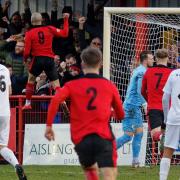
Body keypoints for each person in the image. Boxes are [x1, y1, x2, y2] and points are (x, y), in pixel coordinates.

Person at [45, 47, 125, 180]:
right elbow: (121, 115)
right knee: (109, 175)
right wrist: (112, 114)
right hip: (103, 136)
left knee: (90, 170)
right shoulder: (109, 85)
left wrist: (49, 126)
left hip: (81, 139)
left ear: (82, 64)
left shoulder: (72, 85)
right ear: (100, 64)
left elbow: (55, 100)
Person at [22, 12, 69, 110]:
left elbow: (26, 52)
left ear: (31, 21)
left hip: (37, 59)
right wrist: (65, 20)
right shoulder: (49, 29)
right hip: (49, 59)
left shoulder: (29, 33)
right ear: (41, 20)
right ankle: (62, 100)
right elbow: (65, 33)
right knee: (56, 84)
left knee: (30, 80)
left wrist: (25, 59)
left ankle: (27, 103)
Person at [116, 50, 154, 167]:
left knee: (137, 133)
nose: (153, 60)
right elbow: (139, 90)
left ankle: (135, 161)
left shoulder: (138, 70)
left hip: (129, 105)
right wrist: (145, 104)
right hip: (133, 106)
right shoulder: (142, 72)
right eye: (151, 58)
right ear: (145, 60)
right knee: (131, 135)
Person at [0, 63, 27, 180]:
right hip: (5, 112)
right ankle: (16, 165)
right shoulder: (5, 69)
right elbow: (10, 91)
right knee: (2, 146)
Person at [141, 49, 172, 149]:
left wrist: (149, 100)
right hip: (169, 108)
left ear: (156, 59)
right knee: (165, 138)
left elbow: (142, 91)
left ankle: (164, 138)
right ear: (167, 58)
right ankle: (164, 160)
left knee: (155, 135)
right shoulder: (172, 73)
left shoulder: (148, 72)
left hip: (154, 107)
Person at [159, 57, 180, 180]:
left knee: (168, 151)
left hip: (174, 117)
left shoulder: (173, 74)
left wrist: (166, 119)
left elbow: (165, 99)